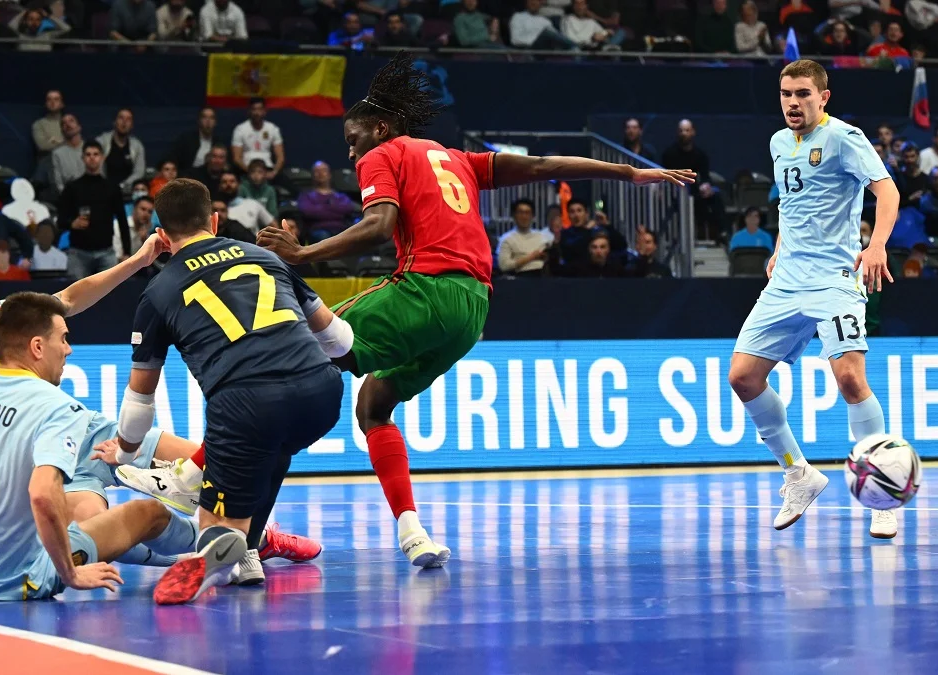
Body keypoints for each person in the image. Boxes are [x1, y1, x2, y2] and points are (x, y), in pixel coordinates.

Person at [256, 52, 695, 568]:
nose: (351, 153)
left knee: (291, 355)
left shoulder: (383, 153)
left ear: (379, 128)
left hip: (426, 291)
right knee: (373, 404)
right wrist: (628, 172)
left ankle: (200, 477)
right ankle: (413, 533)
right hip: (472, 312)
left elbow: (378, 226)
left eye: (353, 140)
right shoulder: (456, 158)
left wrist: (302, 254)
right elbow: (544, 166)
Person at [0, 254, 322, 582]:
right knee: (97, 531)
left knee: (220, 461)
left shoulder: (7, 322)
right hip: (52, 465)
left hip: (93, 434)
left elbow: (71, 298)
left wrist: (138, 261)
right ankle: (231, 548)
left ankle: (248, 536)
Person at [110, 178, 349, 604]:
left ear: (161, 235)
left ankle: (214, 549)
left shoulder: (159, 290)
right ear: (215, 221)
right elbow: (338, 341)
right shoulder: (266, 258)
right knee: (273, 450)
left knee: (219, 520)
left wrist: (125, 453)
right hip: (322, 394)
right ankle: (248, 551)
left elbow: (139, 400)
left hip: (246, 405)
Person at [0, 293, 200, 602]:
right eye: (63, 339)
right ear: (37, 347)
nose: (68, 349)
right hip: (13, 579)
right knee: (147, 513)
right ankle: (215, 539)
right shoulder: (58, 408)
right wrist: (69, 574)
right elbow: (42, 494)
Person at [727, 60, 900, 539]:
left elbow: (887, 193)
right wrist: (779, 248)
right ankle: (798, 473)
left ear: (823, 97)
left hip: (834, 278)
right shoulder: (778, 143)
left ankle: (881, 493)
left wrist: (877, 246)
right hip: (786, 281)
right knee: (742, 377)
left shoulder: (845, 137)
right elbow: (791, 203)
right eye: (786, 94)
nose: (792, 102)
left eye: (803, 93)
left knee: (850, 378)